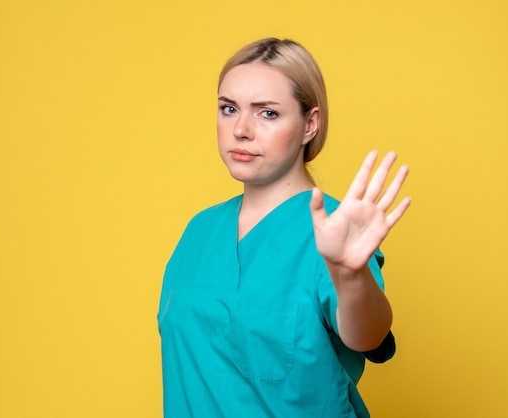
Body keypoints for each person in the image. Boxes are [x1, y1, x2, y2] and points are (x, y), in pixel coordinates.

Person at [157, 37, 411, 417]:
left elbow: (368, 338)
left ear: (310, 124)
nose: (241, 129)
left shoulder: (334, 230)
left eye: (267, 113)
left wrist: (350, 274)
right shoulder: (200, 230)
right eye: (229, 109)